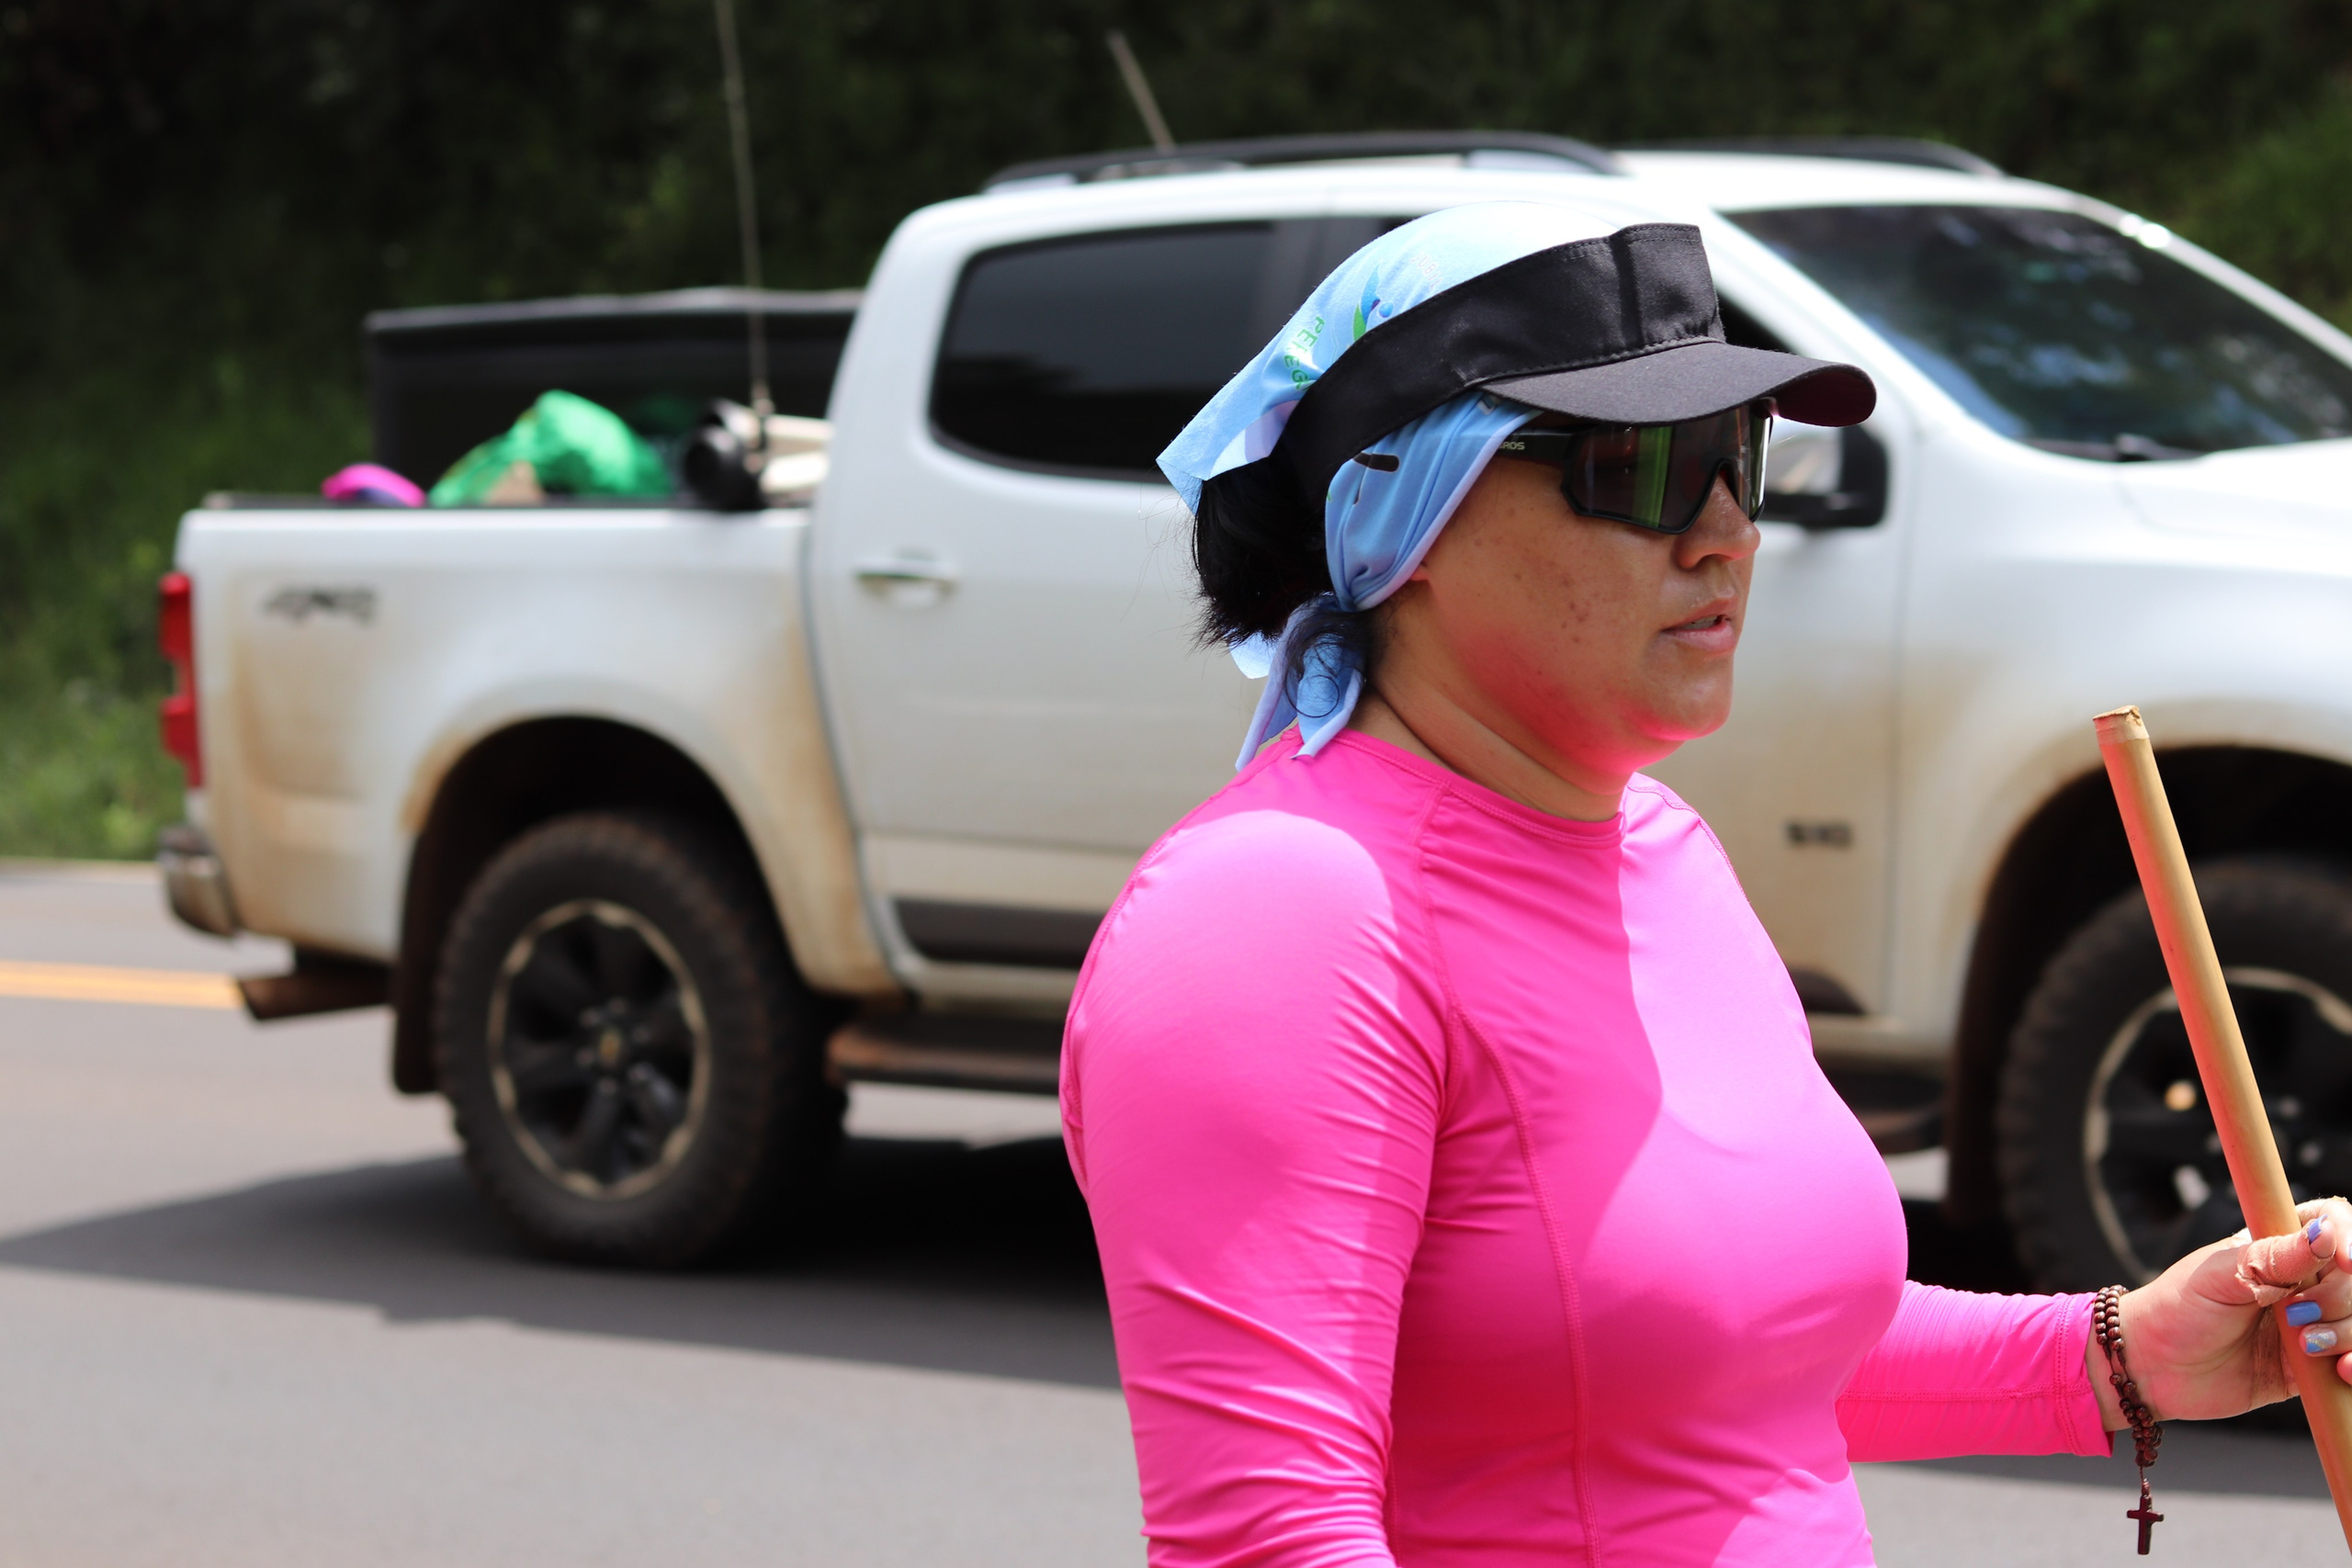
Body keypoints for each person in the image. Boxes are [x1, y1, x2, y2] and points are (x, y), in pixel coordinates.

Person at [1057, 202, 2352, 1567]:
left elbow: (1726, 1357)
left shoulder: (1663, 846)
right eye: (1644, 464)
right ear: (1404, 514)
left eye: (1741, 453)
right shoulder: (1280, 914)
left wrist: (2126, 1352)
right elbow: (1267, 1542)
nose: (1728, 531)